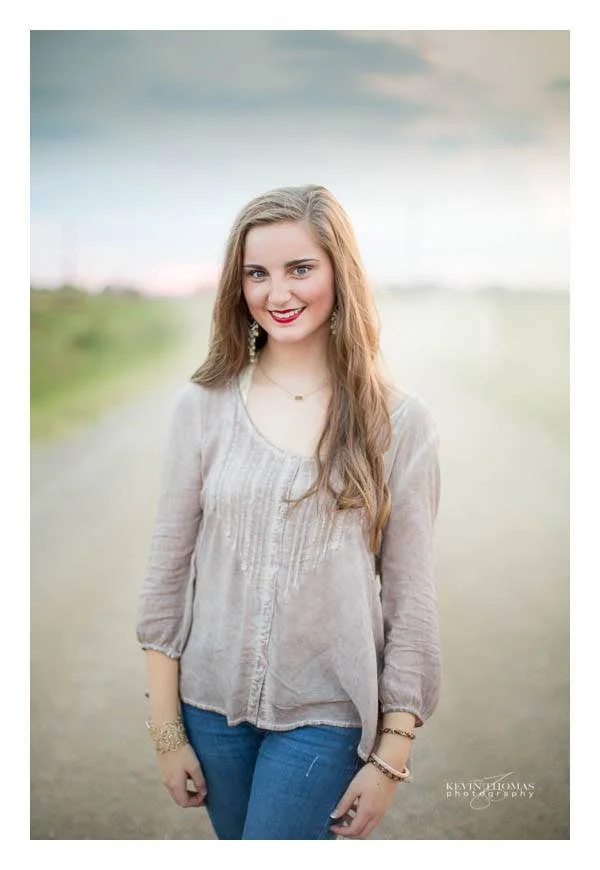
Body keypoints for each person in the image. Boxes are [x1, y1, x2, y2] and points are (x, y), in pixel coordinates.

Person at [136, 184, 442, 840]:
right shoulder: (204, 407)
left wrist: (392, 755)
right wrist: (167, 733)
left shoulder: (399, 423)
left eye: (300, 268)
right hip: (209, 714)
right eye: (257, 273)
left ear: (339, 274)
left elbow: (410, 604)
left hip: (327, 720)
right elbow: (166, 577)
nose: (278, 293)